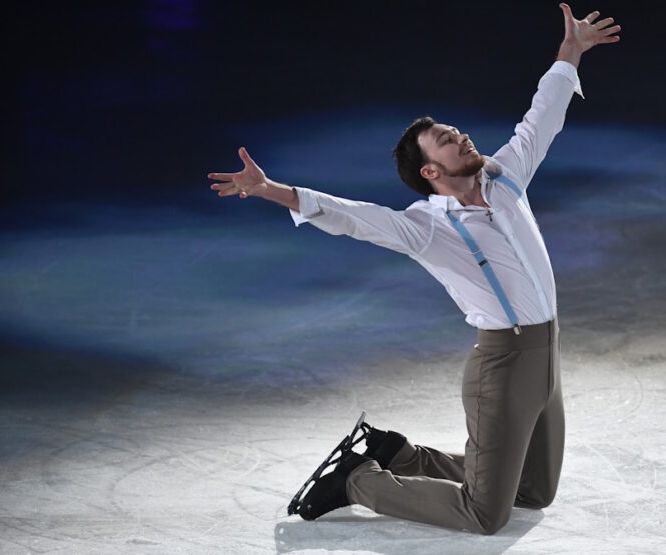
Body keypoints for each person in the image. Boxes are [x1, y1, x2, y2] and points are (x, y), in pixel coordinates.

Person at [208, 3, 620, 535]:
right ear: (430, 171)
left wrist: (570, 52)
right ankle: (358, 480)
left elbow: (542, 118)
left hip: (547, 354)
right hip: (502, 366)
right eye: (448, 141)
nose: (463, 138)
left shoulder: (504, 177)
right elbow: (352, 217)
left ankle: (397, 454)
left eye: (457, 132)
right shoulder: (426, 227)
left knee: (534, 491)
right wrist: (270, 190)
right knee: (484, 514)